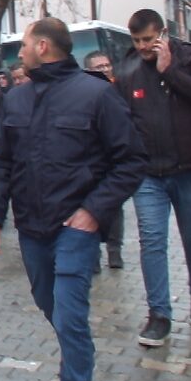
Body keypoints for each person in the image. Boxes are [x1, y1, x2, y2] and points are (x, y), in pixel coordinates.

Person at [0, 18, 146, 381]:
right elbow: (0, 163)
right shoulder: (15, 100)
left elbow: (132, 160)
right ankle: (78, 356)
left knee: (71, 315)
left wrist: (93, 211)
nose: (18, 54)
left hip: (76, 227)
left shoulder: (96, 95)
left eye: (23, 46)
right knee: (49, 304)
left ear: (42, 46)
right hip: (31, 229)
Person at [114, 9, 191, 348]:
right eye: (137, 40)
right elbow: (120, 117)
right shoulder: (127, 67)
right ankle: (159, 315)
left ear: (163, 32)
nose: (143, 46)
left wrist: (169, 70)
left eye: (149, 39)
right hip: (148, 175)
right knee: (152, 241)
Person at [83, 51, 125, 271]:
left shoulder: (120, 89)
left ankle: (114, 251)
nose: (105, 69)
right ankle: (94, 255)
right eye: (99, 67)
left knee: (115, 207)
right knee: (91, 207)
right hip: (92, 161)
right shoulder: (84, 94)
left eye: (107, 65)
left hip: (114, 159)